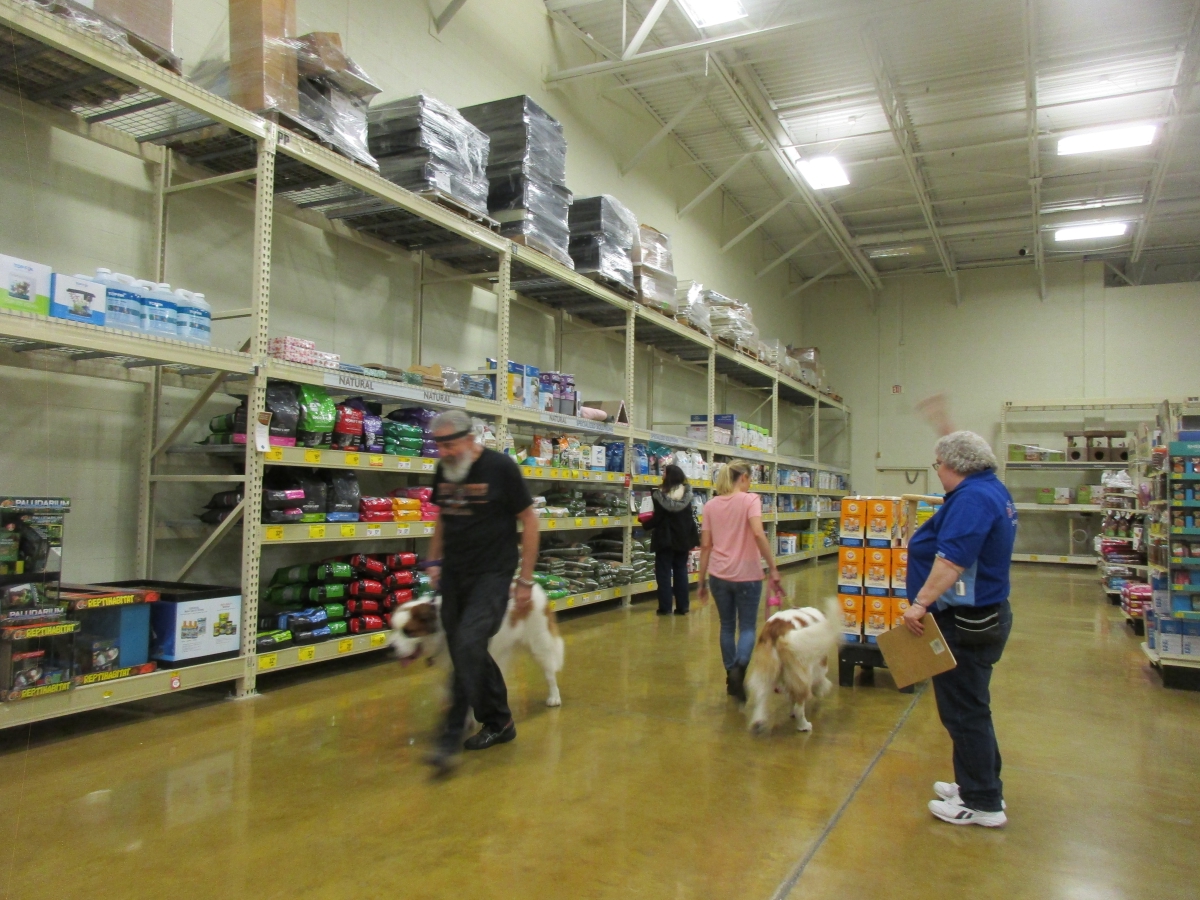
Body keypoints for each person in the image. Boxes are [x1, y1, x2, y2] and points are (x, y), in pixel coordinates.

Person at [902, 430, 1017, 828]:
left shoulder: (973, 498)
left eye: (938, 465)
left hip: (968, 622)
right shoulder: (988, 489)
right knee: (970, 707)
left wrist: (920, 603)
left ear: (953, 465)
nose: (937, 472)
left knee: (964, 711)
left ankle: (983, 802)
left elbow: (951, 561)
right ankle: (976, 783)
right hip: (979, 615)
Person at [424, 409, 540, 776]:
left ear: (469, 439)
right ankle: (499, 721)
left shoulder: (500, 468)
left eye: (450, 444)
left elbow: (530, 519)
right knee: (466, 648)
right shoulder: (444, 470)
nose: (444, 452)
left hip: (492, 573)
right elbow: (442, 516)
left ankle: (450, 736)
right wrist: (433, 561)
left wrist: (525, 581)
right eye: (439, 445)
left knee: (468, 642)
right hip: (454, 574)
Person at [697, 461, 783, 702]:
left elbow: (706, 546)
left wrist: (701, 581)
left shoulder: (710, 505)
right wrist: (773, 568)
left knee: (726, 626)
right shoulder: (750, 500)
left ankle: (730, 675)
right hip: (748, 575)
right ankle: (739, 669)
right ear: (743, 477)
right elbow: (757, 533)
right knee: (746, 627)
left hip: (719, 575)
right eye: (750, 479)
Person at [642, 464, 700, 615]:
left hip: (665, 540)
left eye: (664, 473)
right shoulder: (686, 494)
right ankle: (683, 606)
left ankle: (665, 607)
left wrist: (645, 524)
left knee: (664, 574)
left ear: (669, 476)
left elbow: (658, 519)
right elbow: (689, 518)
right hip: (683, 539)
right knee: (681, 571)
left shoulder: (660, 495)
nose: (662, 475)